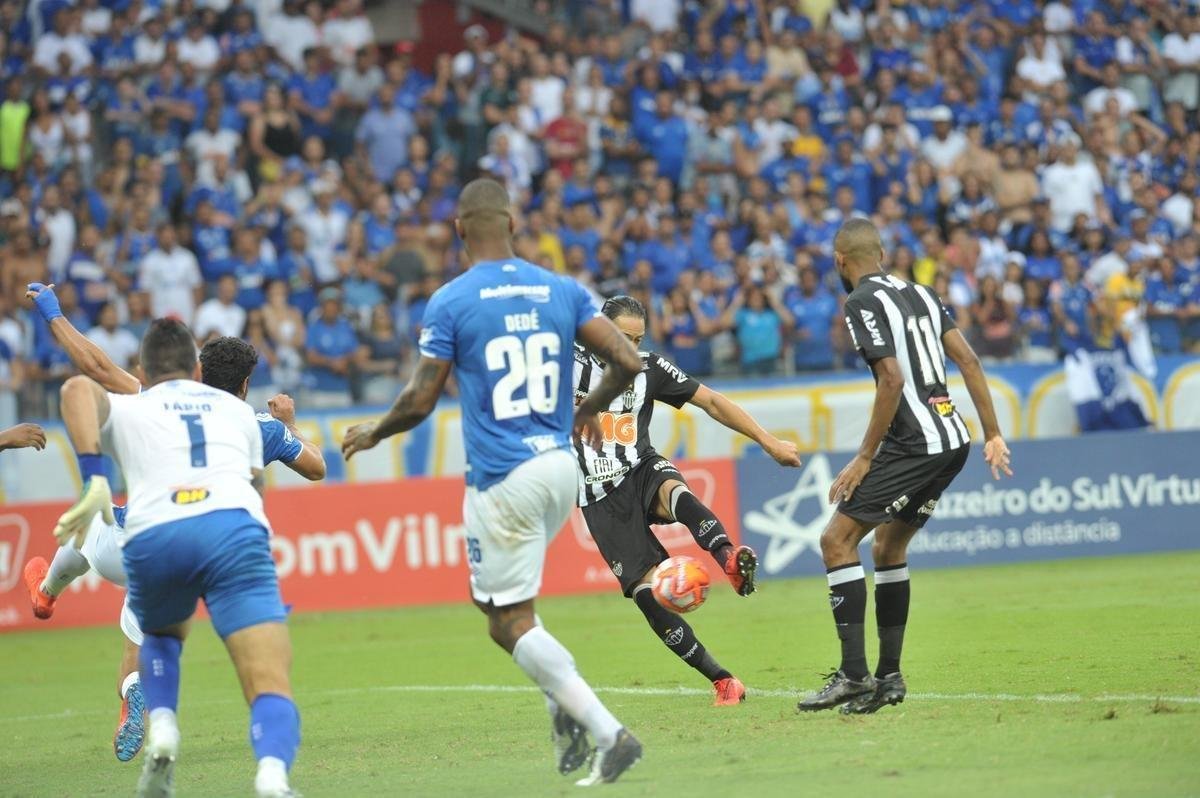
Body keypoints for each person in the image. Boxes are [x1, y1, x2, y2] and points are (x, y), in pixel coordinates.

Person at [341, 179, 645, 785]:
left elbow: (421, 397)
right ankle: (562, 700)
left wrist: (376, 430)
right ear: (513, 223)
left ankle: (608, 732)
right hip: (560, 467)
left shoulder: (452, 300)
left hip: (503, 477)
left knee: (507, 620)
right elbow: (629, 362)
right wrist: (585, 411)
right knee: (496, 605)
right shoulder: (561, 289)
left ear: (459, 231)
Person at [51, 319, 303, 797]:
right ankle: (272, 778)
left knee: (161, 638)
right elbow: (266, 480)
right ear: (194, 368)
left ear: (147, 368)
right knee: (269, 675)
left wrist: (93, 479)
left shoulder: (139, 402)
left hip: (155, 534)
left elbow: (78, 388)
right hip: (233, 533)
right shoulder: (247, 417)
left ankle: (163, 730)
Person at [797, 218, 1012, 715]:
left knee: (836, 541)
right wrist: (993, 433)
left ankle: (854, 676)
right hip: (952, 439)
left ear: (841, 260)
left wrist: (865, 456)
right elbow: (971, 361)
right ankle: (889, 678)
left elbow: (891, 380)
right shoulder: (921, 292)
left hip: (913, 442)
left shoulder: (859, 301)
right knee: (889, 546)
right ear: (882, 252)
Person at [573, 295, 800, 704]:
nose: (632, 348)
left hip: (638, 467)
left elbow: (711, 401)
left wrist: (768, 442)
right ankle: (723, 680)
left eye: (638, 339)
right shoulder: (565, 364)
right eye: (623, 338)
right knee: (650, 596)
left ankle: (728, 558)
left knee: (673, 490)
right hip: (598, 499)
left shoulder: (649, 368)